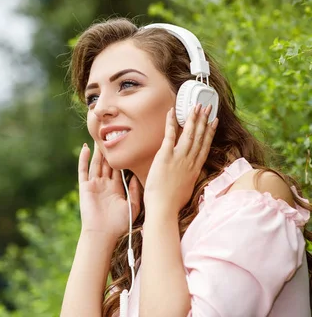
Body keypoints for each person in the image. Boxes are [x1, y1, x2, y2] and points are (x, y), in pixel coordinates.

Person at [60, 18, 311, 317]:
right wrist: (96, 233)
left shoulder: (253, 200)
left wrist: (161, 208)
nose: (101, 108)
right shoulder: (147, 235)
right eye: (93, 97)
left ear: (192, 100)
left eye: (127, 85)